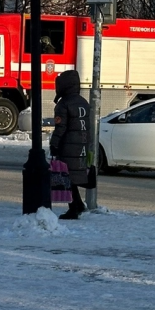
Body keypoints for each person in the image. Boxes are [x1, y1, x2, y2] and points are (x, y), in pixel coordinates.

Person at [49, 70, 90, 220]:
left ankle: (73, 209)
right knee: (72, 177)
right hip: (81, 145)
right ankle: (78, 204)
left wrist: (54, 144)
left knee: (66, 177)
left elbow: (60, 128)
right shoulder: (83, 102)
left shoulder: (64, 104)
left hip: (68, 145)